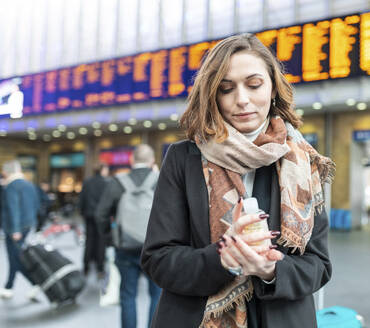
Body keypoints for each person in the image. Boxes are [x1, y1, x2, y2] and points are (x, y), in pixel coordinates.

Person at [141, 33, 334, 328]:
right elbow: (159, 259)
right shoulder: (184, 158)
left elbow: (318, 265)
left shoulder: (302, 162)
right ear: (213, 95)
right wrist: (223, 258)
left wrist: (271, 270)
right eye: (226, 88)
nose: (242, 99)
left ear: (272, 88)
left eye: (254, 85)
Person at [96, 145, 161, 328]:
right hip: (154, 249)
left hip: (125, 247)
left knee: (127, 295)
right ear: (152, 161)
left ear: (132, 161)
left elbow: (100, 214)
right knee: (156, 295)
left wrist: (111, 239)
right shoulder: (161, 179)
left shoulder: (117, 182)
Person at [0, 160, 39, 299]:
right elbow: (36, 205)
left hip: (14, 228)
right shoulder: (29, 185)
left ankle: (35, 282)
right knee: (15, 257)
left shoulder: (11, 187)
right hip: (27, 225)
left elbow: (13, 209)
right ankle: (8, 286)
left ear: (6, 172)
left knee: (15, 258)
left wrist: (15, 230)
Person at [79, 163, 109, 277]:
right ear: (102, 169)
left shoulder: (87, 182)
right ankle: (100, 267)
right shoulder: (106, 183)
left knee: (89, 240)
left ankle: (86, 266)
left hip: (89, 215)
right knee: (101, 242)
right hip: (101, 217)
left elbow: (82, 199)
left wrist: (82, 212)